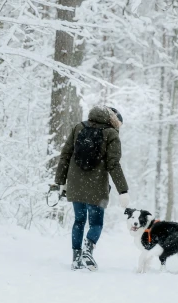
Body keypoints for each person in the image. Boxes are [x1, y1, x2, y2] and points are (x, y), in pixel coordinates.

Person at [51, 105, 130, 271]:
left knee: (79, 220)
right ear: (114, 121)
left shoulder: (78, 127)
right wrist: (123, 190)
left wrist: (60, 182)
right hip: (97, 186)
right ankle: (88, 250)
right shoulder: (111, 134)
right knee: (96, 222)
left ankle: (76, 259)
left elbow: (65, 155)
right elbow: (113, 164)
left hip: (75, 184)